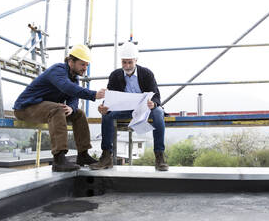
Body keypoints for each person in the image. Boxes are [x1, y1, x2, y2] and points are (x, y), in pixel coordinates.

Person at [13, 44, 106, 172]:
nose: (85, 68)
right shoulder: (57, 71)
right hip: (26, 108)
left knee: (79, 114)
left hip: (46, 108)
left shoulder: (74, 78)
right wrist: (93, 94)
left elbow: (73, 97)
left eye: (86, 65)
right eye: (82, 64)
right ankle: (59, 159)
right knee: (57, 109)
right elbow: (67, 87)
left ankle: (83, 155)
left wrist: (72, 108)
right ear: (70, 61)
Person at [90, 41, 169, 171]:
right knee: (107, 116)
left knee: (159, 112)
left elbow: (156, 95)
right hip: (124, 110)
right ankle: (106, 156)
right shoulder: (115, 75)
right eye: (124, 62)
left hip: (144, 109)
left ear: (136, 60)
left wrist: (153, 103)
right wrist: (103, 107)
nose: (127, 66)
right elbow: (110, 97)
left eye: (130, 62)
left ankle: (159, 156)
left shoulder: (146, 74)